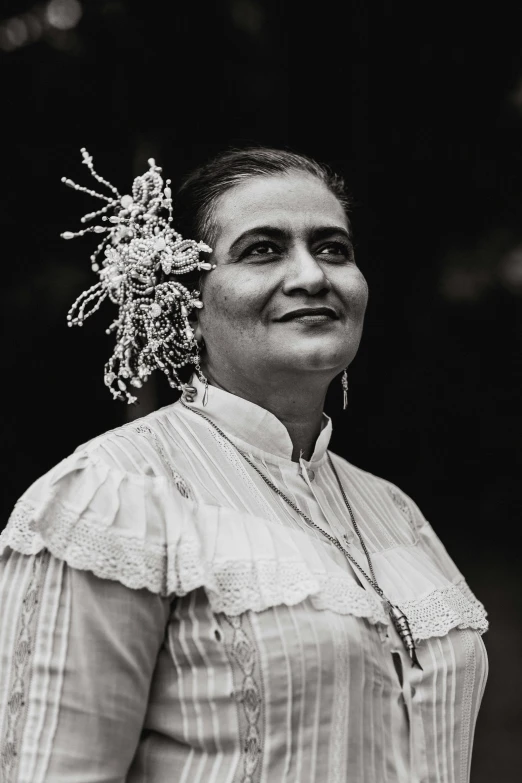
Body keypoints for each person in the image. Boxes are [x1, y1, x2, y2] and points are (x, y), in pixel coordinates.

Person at [0, 147, 488, 783]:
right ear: (188, 300)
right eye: (262, 249)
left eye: (333, 248)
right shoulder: (110, 499)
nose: (312, 276)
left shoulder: (395, 510)